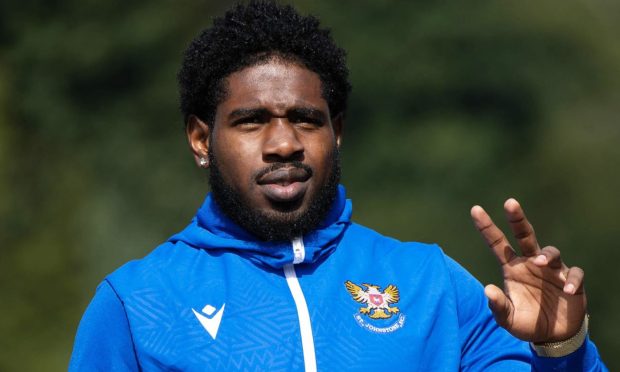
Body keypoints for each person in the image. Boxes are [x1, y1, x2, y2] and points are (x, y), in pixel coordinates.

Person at [69, 1, 607, 370]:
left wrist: (562, 349)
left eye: (305, 118)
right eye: (252, 120)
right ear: (201, 138)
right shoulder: (137, 304)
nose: (284, 143)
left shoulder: (433, 286)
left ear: (337, 131)